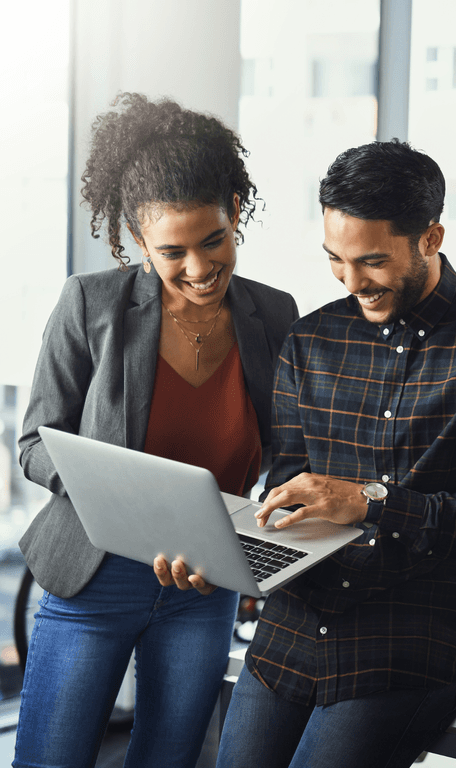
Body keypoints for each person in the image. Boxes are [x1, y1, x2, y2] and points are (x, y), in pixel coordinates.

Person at [200, 139, 456, 767]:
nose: (353, 282)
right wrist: (235, 553)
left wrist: (373, 504)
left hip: (408, 645)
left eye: (373, 261)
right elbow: (285, 490)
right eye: (336, 259)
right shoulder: (311, 338)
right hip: (290, 633)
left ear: (431, 238)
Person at [14, 93, 298, 768]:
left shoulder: (275, 313)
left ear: (235, 210)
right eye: (172, 251)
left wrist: (266, 536)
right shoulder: (89, 305)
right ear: (136, 242)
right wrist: (130, 504)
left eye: (214, 241)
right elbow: (34, 444)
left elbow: (291, 451)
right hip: (94, 575)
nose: (199, 269)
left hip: (203, 586)